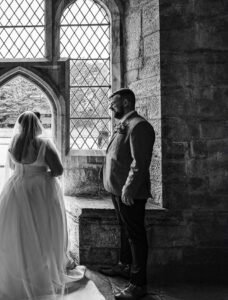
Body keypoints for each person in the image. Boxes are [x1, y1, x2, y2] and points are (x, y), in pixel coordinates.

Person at [0, 111, 85, 300]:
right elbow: (58, 170)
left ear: (19, 125)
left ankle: (14, 270)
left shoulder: (14, 143)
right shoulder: (44, 144)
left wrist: (27, 172)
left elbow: (13, 167)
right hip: (41, 192)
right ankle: (40, 270)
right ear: (37, 125)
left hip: (16, 190)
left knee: (15, 231)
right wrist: (41, 175)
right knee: (43, 229)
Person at [100, 88, 155, 300]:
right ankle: (124, 265)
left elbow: (140, 162)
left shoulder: (139, 126)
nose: (110, 107)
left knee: (135, 236)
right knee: (124, 229)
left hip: (129, 192)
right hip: (117, 189)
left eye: (113, 103)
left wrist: (128, 188)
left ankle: (138, 284)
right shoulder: (125, 124)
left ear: (125, 102)